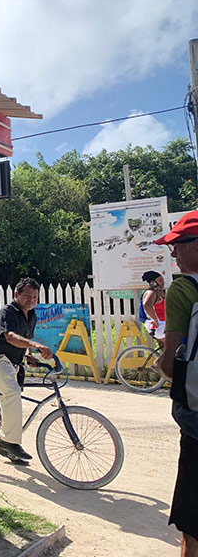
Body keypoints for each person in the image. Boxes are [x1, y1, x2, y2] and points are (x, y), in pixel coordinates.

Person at [154, 211, 198, 557]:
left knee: (192, 519)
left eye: (178, 246)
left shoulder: (183, 289)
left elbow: (171, 362)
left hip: (196, 419)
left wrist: (160, 362)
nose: (174, 255)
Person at [0, 277, 53, 463]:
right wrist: (36, 345)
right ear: (16, 295)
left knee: (10, 397)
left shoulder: (32, 315)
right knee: (12, 392)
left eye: (35, 297)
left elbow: (23, 338)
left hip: (11, 362)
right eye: (27, 295)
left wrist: (28, 355)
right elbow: (11, 337)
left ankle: (7, 447)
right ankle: (9, 442)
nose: (31, 300)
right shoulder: (7, 311)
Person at [140, 270, 166, 347]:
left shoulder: (158, 293)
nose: (163, 282)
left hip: (162, 324)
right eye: (160, 280)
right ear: (153, 282)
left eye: (163, 280)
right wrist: (155, 320)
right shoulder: (151, 292)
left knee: (168, 354)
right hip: (159, 326)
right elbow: (147, 305)